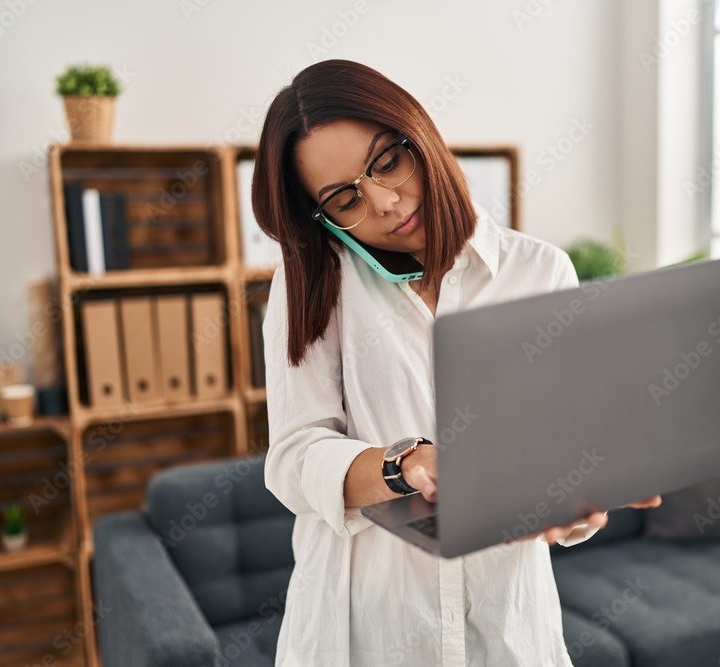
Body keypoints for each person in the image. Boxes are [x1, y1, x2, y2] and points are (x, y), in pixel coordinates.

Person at [252, 59, 662, 667]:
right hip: (360, 631)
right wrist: (406, 466)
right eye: (345, 198)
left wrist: (578, 503)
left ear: (420, 133)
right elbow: (292, 458)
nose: (385, 203)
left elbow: (565, 457)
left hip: (508, 628)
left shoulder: (541, 272)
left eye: (387, 161)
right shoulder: (311, 281)